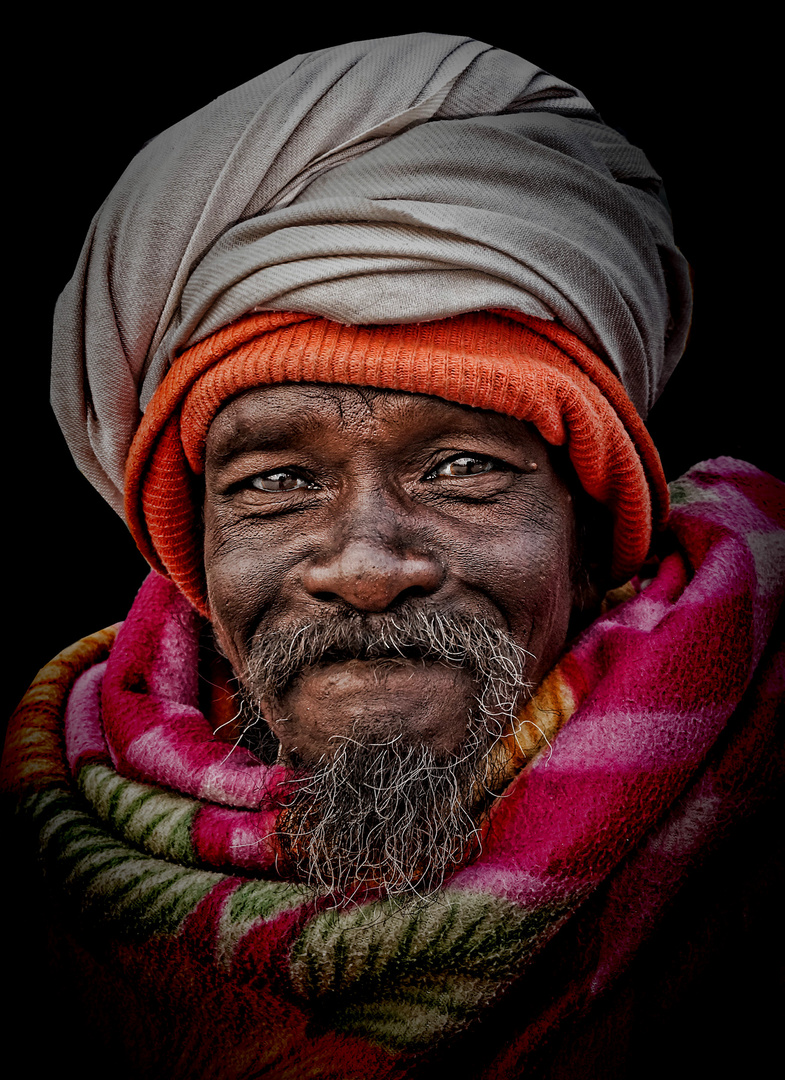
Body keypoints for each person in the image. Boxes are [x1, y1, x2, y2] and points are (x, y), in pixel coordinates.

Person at [3, 32, 782, 1080]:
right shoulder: (47, 824)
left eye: (461, 467)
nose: (366, 567)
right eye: (273, 481)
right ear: (194, 559)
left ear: (591, 534)